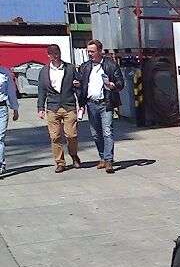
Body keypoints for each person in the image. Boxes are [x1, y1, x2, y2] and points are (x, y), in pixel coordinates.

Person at [76, 39, 124, 173]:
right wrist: (80, 99)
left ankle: (109, 160)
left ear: (99, 51)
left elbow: (121, 82)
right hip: (91, 104)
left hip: (106, 103)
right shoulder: (85, 67)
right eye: (88, 51)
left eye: (92, 51)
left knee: (107, 132)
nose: (90, 54)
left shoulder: (110, 65)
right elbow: (82, 86)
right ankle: (102, 157)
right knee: (96, 134)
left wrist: (114, 85)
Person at [37, 44, 81, 173]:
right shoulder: (44, 71)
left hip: (68, 106)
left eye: (58, 53)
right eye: (53, 54)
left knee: (71, 135)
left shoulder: (70, 68)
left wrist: (80, 101)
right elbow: (42, 91)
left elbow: (79, 84)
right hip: (52, 107)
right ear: (48, 55)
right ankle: (60, 162)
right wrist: (40, 108)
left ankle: (74, 155)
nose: (56, 56)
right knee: (55, 136)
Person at [0, 64, 19, 175]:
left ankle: (1, 165)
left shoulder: (5, 73)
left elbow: (11, 92)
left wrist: (15, 109)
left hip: (2, 108)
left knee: (0, 137)